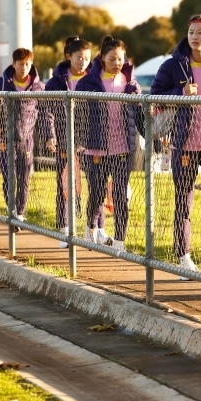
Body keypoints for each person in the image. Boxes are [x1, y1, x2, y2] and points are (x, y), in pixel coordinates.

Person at [151, 15, 201, 279]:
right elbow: (153, 97)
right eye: (191, 32)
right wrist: (180, 93)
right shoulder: (172, 65)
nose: (195, 37)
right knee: (183, 203)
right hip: (184, 147)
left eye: (200, 32)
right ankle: (184, 258)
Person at [76, 36, 144, 251]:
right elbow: (79, 115)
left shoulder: (131, 84)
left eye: (120, 59)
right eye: (112, 58)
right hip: (96, 148)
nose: (117, 63)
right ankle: (90, 231)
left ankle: (120, 241)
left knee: (121, 196)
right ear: (102, 58)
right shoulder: (87, 83)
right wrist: (78, 141)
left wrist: (153, 137)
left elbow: (140, 116)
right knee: (96, 194)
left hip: (122, 148)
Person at [0, 48, 56, 228]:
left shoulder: (39, 87)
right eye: (21, 64)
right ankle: (12, 210)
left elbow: (46, 113)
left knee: (24, 179)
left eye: (28, 64)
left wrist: (49, 136)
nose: (24, 67)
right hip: (4, 139)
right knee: (9, 177)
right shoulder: (2, 83)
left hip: (27, 140)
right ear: (14, 64)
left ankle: (20, 214)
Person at [45, 36, 95, 248]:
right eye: (79, 58)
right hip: (64, 139)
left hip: (89, 139)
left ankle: (93, 229)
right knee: (65, 185)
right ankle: (64, 230)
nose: (83, 62)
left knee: (95, 184)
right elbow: (47, 111)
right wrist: (50, 135)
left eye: (87, 58)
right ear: (69, 56)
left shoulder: (94, 78)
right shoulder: (55, 82)